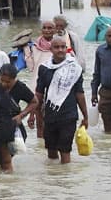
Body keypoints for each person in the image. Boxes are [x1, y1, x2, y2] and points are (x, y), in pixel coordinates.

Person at [35, 36, 88, 164]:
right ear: (51, 49)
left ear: (66, 49)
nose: (60, 50)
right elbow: (39, 93)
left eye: (63, 47)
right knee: (51, 151)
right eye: (57, 47)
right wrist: (34, 115)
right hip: (50, 115)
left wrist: (86, 116)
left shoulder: (74, 69)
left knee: (65, 150)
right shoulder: (44, 68)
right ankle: (53, 179)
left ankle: (65, 179)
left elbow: (80, 94)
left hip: (68, 115)